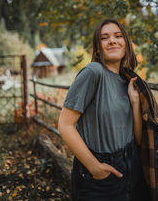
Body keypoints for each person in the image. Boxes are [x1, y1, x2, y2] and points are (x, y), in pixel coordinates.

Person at [58, 18, 151, 201]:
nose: (112, 41)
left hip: (131, 166)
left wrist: (134, 102)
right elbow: (65, 124)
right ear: (98, 47)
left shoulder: (127, 80)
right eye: (104, 37)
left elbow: (138, 138)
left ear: (126, 43)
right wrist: (94, 167)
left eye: (118, 36)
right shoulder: (93, 72)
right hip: (100, 172)